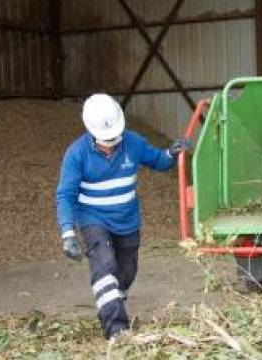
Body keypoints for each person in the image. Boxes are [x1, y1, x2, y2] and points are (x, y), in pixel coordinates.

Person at [55, 93, 191, 340]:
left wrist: (170, 153)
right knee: (105, 266)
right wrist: (67, 233)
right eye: (107, 139)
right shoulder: (76, 154)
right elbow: (65, 194)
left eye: (115, 136)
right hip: (92, 219)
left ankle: (112, 298)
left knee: (126, 273)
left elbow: (157, 160)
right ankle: (116, 330)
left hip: (127, 220)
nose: (112, 142)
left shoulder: (132, 142)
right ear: (92, 132)